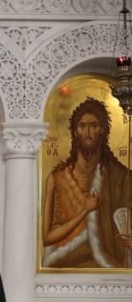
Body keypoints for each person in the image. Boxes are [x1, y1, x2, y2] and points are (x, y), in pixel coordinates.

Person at [42, 97, 132, 268]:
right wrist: (85, 211)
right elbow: (47, 239)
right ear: (75, 131)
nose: (88, 133)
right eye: (82, 126)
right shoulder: (56, 178)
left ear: (103, 130)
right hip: (63, 262)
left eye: (94, 126)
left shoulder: (123, 178)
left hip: (108, 264)